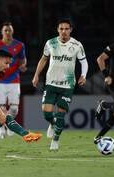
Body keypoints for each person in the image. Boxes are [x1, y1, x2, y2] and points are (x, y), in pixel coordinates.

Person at [32, 19, 88, 151]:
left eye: (66, 29)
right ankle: (52, 124)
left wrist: (83, 75)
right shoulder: (50, 43)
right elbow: (44, 59)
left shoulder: (77, 45)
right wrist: (36, 75)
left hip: (67, 85)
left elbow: (84, 62)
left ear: (71, 30)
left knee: (61, 114)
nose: (64, 31)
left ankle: (55, 140)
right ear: (58, 30)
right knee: (47, 114)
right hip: (51, 83)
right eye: (61, 29)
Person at [0, 21, 27, 139]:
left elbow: (23, 60)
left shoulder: (19, 45)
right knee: (1, 107)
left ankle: (9, 125)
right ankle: (2, 128)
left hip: (14, 80)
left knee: (14, 108)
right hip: (0, 81)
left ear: (12, 31)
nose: (8, 32)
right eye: (6, 30)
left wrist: (23, 66)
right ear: (2, 32)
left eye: (9, 30)